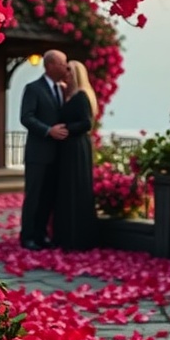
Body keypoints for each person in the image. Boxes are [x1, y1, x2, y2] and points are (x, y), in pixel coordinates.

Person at [19, 49, 69, 250]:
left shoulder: (63, 89)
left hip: (57, 154)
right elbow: (26, 117)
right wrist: (48, 131)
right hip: (38, 154)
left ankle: (42, 235)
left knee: (48, 197)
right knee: (34, 196)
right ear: (50, 65)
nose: (65, 67)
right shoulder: (33, 88)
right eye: (62, 64)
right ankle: (28, 237)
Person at [53, 60, 97, 251]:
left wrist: (66, 129)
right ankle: (65, 237)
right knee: (66, 190)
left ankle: (77, 239)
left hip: (77, 148)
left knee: (76, 189)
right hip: (68, 148)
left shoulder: (81, 96)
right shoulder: (69, 95)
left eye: (69, 70)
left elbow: (87, 123)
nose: (66, 72)